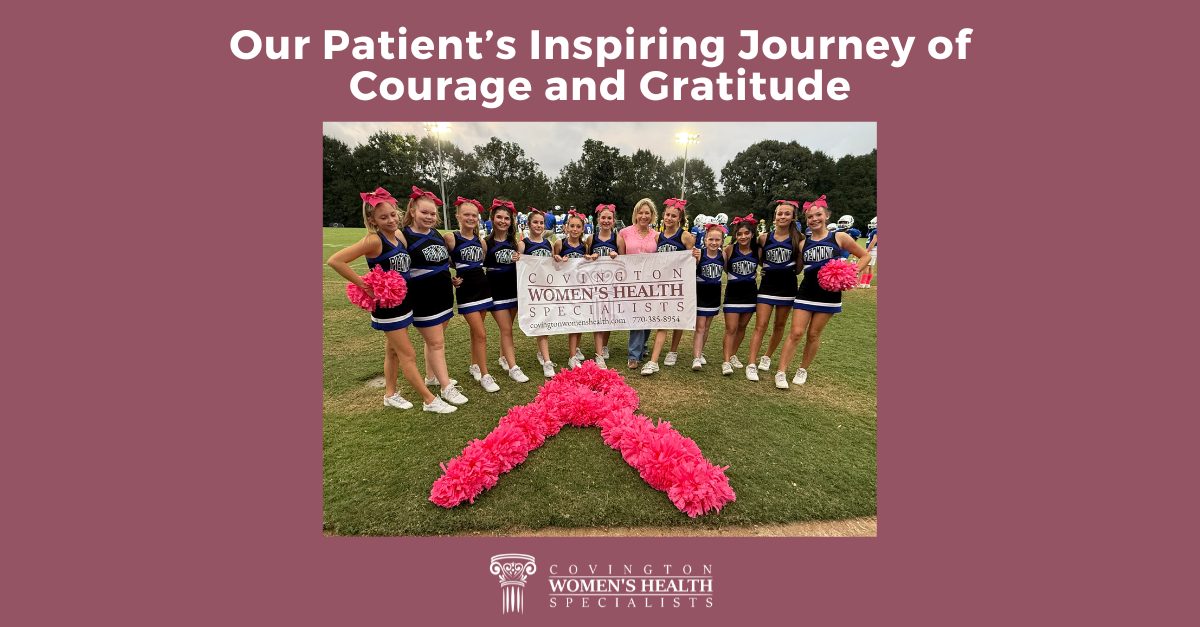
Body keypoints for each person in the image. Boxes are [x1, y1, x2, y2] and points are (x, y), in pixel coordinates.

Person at [325, 188, 457, 413]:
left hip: (403, 301)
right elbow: (335, 260)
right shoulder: (373, 240)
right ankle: (429, 400)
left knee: (393, 351)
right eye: (383, 217)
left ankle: (390, 394)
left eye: (393, 215)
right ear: (372, 220)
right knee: (408, 354)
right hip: (387, 307)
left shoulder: (398, 237)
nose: (391, 220)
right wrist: (364, 285)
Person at [775, 196, 873, 388]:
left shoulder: (839, 237)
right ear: (807, 220)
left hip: (830, 294)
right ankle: (781, 372)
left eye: (818, 215)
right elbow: (798, 269)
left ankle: (803, 369)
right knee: (796, 333)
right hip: (806, 291)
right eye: (810, 217)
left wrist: (849, 273)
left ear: (826, 216)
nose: (814, 219)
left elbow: (865, 256)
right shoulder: (803, 243)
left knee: (813, 334)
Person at [401, 187, 470, 404]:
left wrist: (449, 278)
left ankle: (431, 377)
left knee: (434, 341)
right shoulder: (404, 235)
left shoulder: (435, 234)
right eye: (424, 212)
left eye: (432, 213)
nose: (429, 217)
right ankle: (446, 387)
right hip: (423, 297)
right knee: (437, 343)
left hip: (444, 295)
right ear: (412, 211)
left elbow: (441, 262)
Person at [745, 200, 804, 382]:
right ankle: (751, 364)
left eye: (787, 214)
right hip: (767, 286)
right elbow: (759, 260)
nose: (783, 217)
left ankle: (767, 356)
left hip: (787, 287)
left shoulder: (799, 238)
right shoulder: (764, 238)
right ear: (775, 216)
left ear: (793, 217)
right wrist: (765, 269)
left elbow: (799, 268)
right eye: (780, 213)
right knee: (760, 325)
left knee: (779, 325)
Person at [447, 198, 500, 393]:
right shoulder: (450, 238)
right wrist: (451, 277)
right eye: (466, 214)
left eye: (474, 215)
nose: (470, 218)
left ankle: (474, 365)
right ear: (458, 217)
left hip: (483, 288)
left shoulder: (480, 241)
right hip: (466, 290)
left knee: (475, 332)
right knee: (481, 333)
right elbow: (442, 261)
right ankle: (485, 375)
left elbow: (481, 262)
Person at [642, 198, 696, 375]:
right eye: (667, 215)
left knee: (677, 318)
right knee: (663, 321)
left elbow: (692, 261)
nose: (669, 218)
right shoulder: (658, 237)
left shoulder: (685, 236)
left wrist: (697, 256)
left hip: (679, 286)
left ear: (679, 218)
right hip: (662, 286)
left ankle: (672, 351)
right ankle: (654, 361)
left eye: (673, 216)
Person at [483, 200, 530, 383]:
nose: (503, 221)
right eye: (499, 217)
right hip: (496, 291)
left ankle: (503, 357)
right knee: (507, 329)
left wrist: (519, 258)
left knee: (508, 327)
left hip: (513, 289)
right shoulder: (486, 242)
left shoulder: (514, 242)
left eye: (506, 218)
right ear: (492, 219)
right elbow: (475, 266)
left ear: (511, 221)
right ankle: (513, 367)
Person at [553, 210, 599, 369]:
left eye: (578, 226)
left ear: (582, 229)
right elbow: (552, 266)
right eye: (572, 226)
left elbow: (588, 267)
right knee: (573, 320)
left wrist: (590, 258)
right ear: (566, 227)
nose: (574, 229)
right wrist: (559, 260)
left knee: (579, 319)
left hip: (581, 288)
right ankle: (572, 357)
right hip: (566, 288)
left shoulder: (585, 245)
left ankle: (576, 348)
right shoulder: (560, 244)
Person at [618, 198, 660, 370]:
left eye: (647, 213)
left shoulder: (657, 235)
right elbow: (620, 258)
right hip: (631, 280)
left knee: (648, 315)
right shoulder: (624, 233)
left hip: (650, 281)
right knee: (637, 315)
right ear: (635, 214)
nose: (643, 216)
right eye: (640, 212)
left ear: (652, 215)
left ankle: (642, 345)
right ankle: (634, 355)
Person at [586, 204, 624, 369]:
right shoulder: (591, 239)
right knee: (597, 317)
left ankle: (604, 345)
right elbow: (584, 260)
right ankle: (599, 354)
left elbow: (625, 263)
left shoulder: (618, 239)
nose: (606, 221)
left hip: (611, 285)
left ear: (614, 221)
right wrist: (590, 257)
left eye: (609, 218)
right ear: (598, 220)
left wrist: (617, 257)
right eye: (603, 218)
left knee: (608, 317)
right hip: (595, 284)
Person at [720, 215, 760, 375]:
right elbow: (723, 267)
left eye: (746, 233)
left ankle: (733, 354)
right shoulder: (729, 249)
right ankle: (726, 362)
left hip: (750, 294)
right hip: (733, 294)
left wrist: (762, 272)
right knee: (730, 328)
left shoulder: (758, 250)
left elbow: (767, 265)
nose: (743, 236)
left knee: (742, 327)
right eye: (739, 234)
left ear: (752, 233)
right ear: (735, 235)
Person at [521, 209, 557, 377]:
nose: (538, 225)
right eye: (535, 222)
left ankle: (542, 353)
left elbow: (553, 265)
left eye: (541, 223)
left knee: (545, 322)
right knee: (540, 322)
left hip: (546, 289)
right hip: (531, 291)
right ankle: (547, 361)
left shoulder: (549, 244)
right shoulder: (523, 244)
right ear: (529, 224)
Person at [691, 223, 725, 369]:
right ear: (705, 240)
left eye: (717, 240)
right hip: (700, 295)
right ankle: (696, 358)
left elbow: (729, 270)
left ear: (722, 241)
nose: (714, 242)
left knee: (706, 327)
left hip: (714, 296)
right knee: (700, 326)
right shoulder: (700, 254)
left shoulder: (723, 255)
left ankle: (700, 352)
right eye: (711, 239)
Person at [859, 218, 877, 288]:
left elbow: (873, 241)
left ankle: (862, 283)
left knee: (866, 266)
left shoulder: (876, 231)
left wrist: (868, 250)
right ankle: (867, 283)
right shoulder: (874, 230)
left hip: (873, 249)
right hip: (874, 249)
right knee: (871, 266)